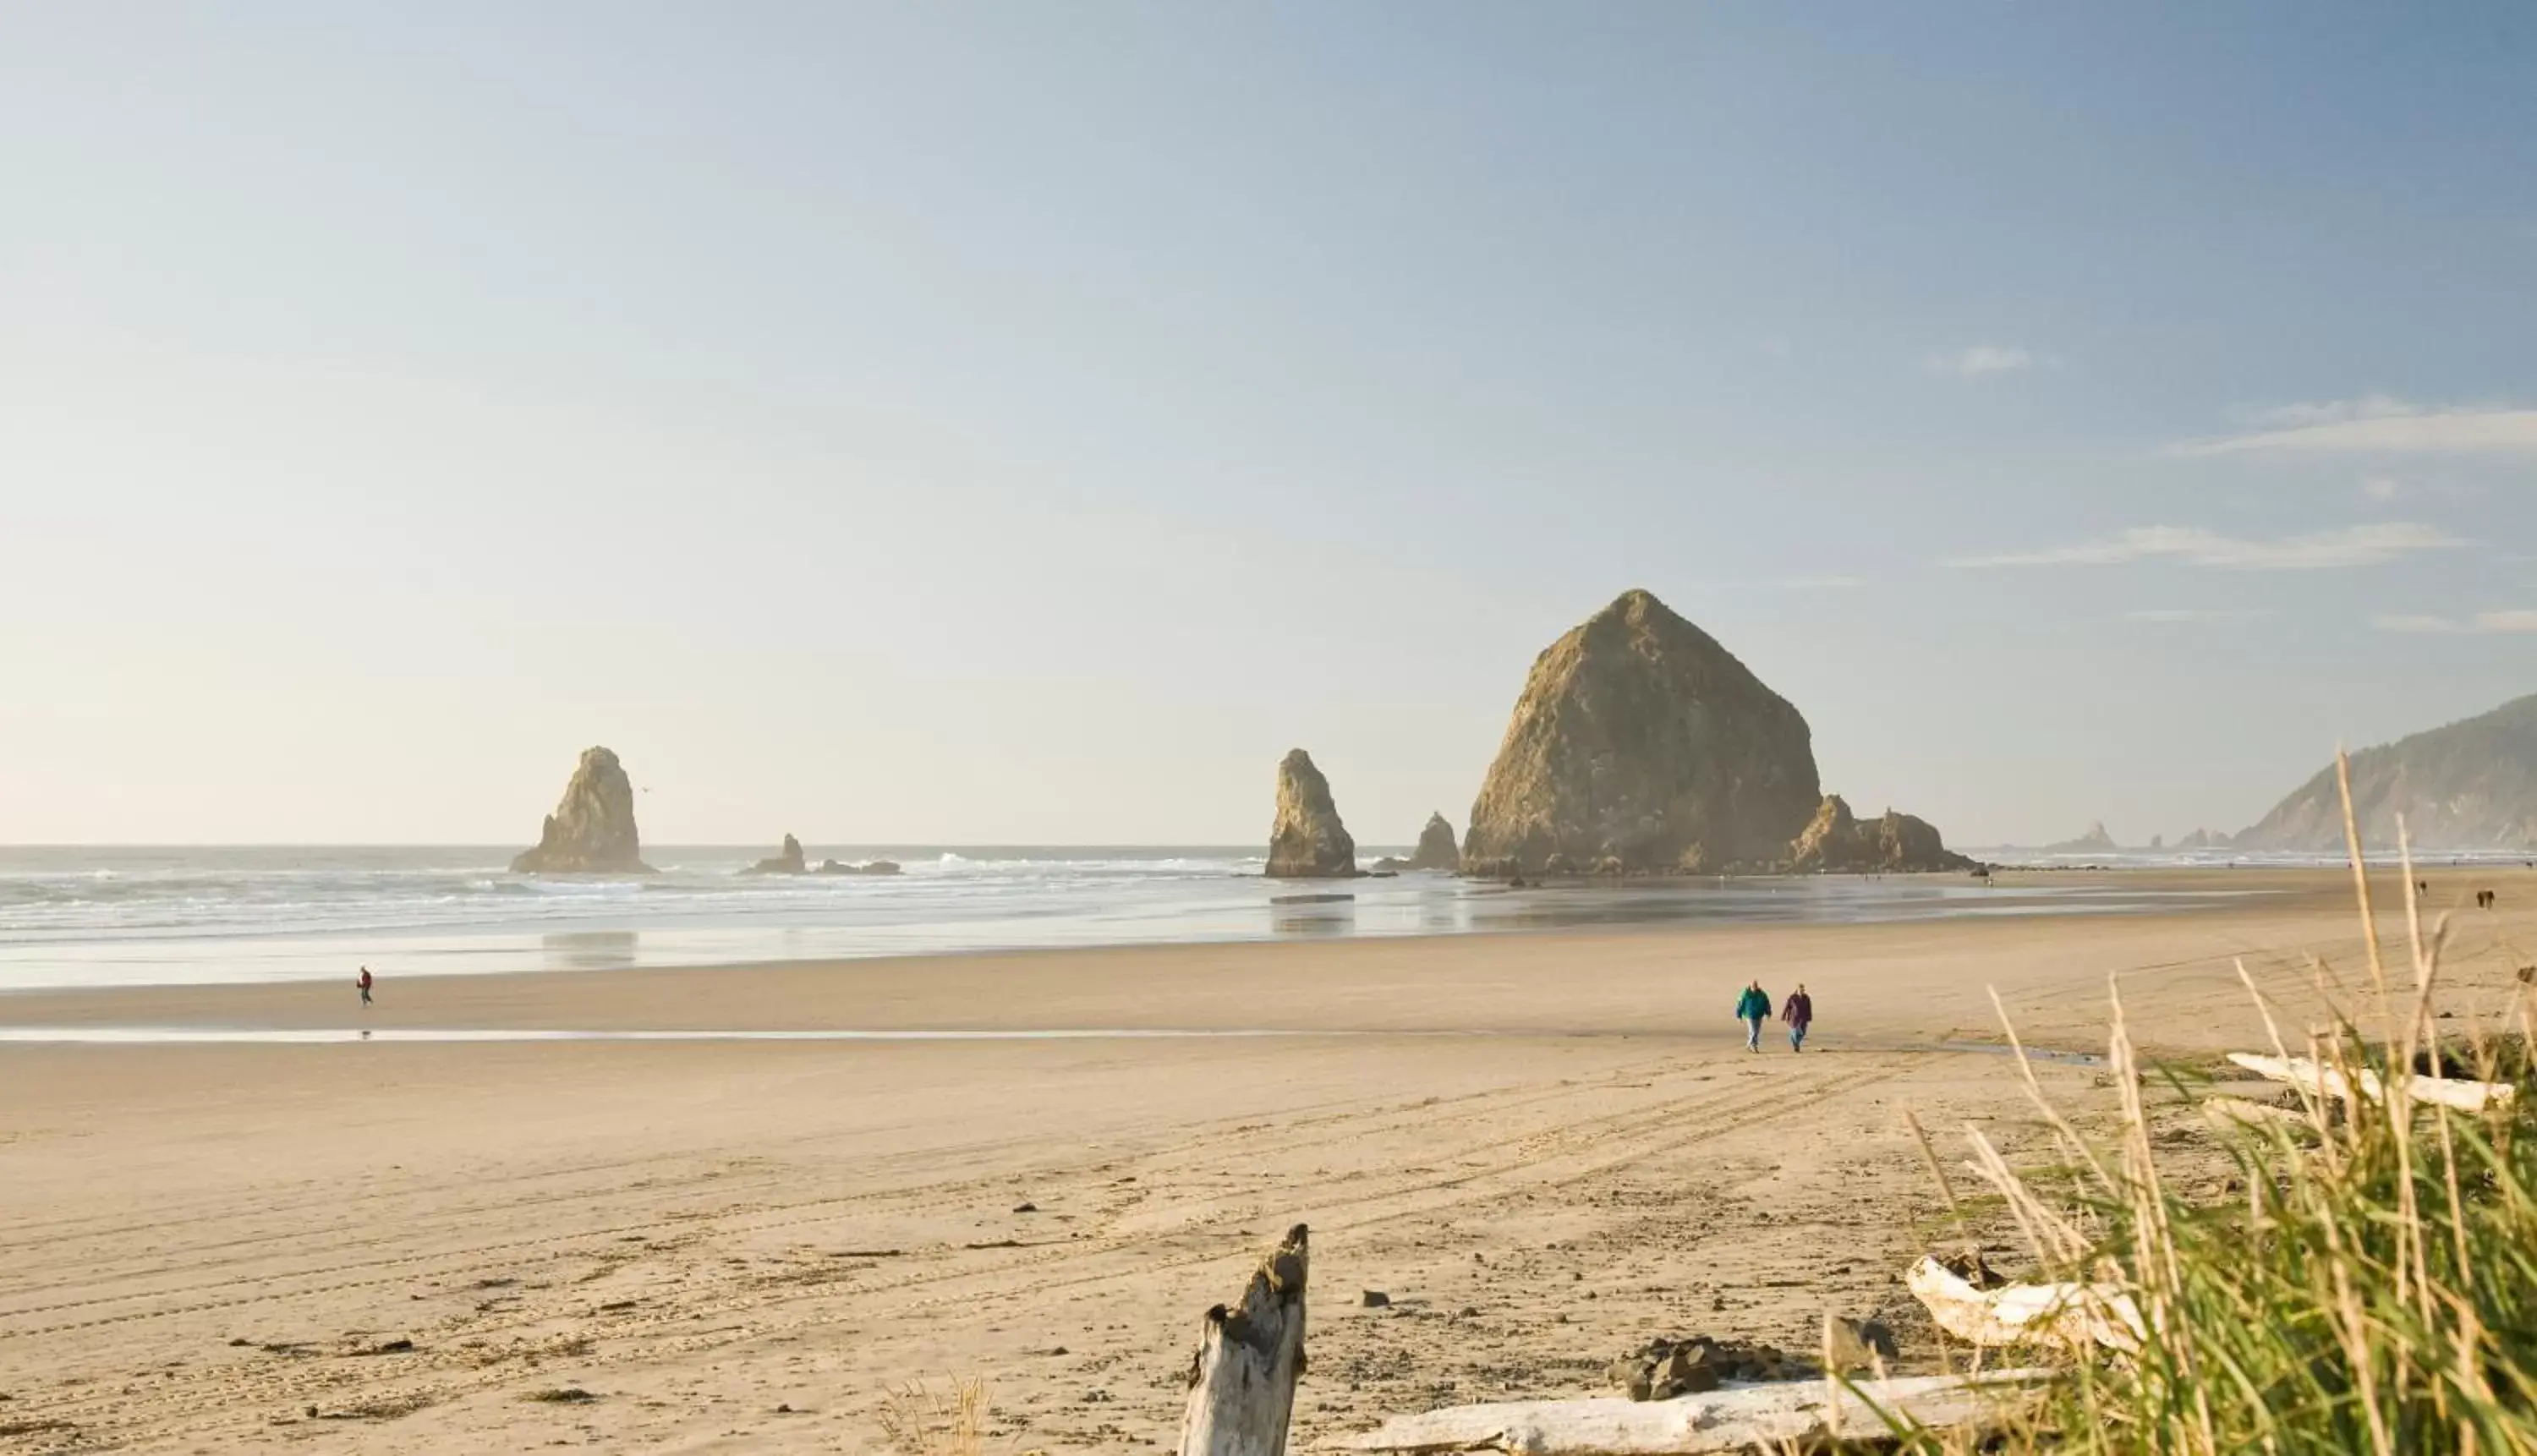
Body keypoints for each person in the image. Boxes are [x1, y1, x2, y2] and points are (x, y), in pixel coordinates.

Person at [1733, 980, 1771, 1053]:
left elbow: (1767, 1004)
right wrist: (1739, 1016)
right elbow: (1740, 1005)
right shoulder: (1745, 994)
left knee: (1756, 1032)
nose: (1754, 988)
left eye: (1755, 986)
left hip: (1759, 1015)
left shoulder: (1762, 994)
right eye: (1753, 986)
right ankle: (1751, 1045)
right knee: (1753, 1031)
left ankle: (1753, 1046)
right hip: (1750, 1015)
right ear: (1750, 986)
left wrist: (1768, 1013)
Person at [1781, 983, 1813, 1053]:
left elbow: (1809, 1008)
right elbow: (1787, 1007)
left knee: (1803, 1033)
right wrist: (1783, 1015)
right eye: (1800, 990)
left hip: (1803, 1018)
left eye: (1803, 990)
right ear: (1797, 990)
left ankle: (1795, 1043)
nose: (1802, 991)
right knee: (1796, 1033)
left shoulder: (1806, 998)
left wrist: (1809, 1017)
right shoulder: (1792, 998)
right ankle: (1796, 1046)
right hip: (1794, 1019)